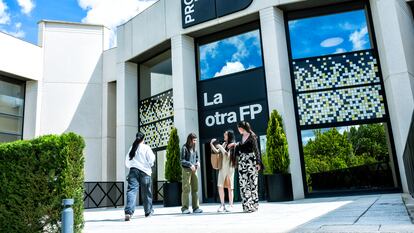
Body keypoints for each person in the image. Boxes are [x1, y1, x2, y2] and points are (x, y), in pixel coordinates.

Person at [124, 132, 155, 221]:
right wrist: (150, 164)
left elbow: (127, 162)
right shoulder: (146, 147)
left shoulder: (132, 147)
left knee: (131, 191)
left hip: (133, 171)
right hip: (145, 172)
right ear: (143, 139)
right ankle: (148, 211)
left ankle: (128, 212)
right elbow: (151, 159)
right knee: (146, 192)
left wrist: (132, 166)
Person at [235, 121, 262, 213]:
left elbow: (256, 150)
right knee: (243, 184)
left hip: (251, 162)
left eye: (238, 128)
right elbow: (239, 151)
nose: (238, 130)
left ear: (242, 127)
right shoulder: (241, 137)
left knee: (253, 184)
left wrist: (258, 162)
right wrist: (236, 146)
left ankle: (254, 205)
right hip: (242, 162)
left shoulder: (252, 136)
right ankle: (247, 206)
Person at [210, 130, 237, 212]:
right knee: (220, 186)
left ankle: (231, 205)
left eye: (225, 135)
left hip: (229, 168)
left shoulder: (232, 145)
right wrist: (212, 144)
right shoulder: (224, 144)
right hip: (222, 168)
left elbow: (228, 155)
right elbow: (217, 151)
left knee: (230, 187)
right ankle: (222, 205)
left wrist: (220, 147)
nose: (224, 136)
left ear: (229, 136)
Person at [181, 133, 203, 214]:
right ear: (190, 139)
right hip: (186, 170)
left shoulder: (195, 148)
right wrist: (190, 164)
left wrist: (197, 162)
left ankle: (196, 208)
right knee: (186, 189)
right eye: (194, 140)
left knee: (195, 189)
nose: (195, 142)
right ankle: (184, 208)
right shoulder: (184, 147)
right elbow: (182, 160)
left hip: (194, 170)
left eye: (196, 140)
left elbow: (196, 158)